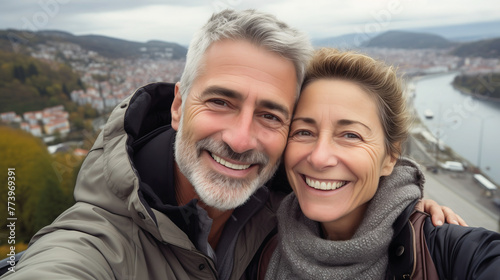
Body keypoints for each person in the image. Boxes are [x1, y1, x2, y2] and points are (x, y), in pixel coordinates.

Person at [0, 10, 463, 280]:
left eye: (270, 115)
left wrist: (402, 202)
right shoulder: (95, 242)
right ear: (179, 105)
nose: (241, 139)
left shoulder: (291, 198)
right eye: (221, 101)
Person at [264, 48, 500, 280]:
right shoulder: (262, 236)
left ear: (390, 158)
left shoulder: (449, 251)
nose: (319, 157)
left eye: (350, 135)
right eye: (304, 132)